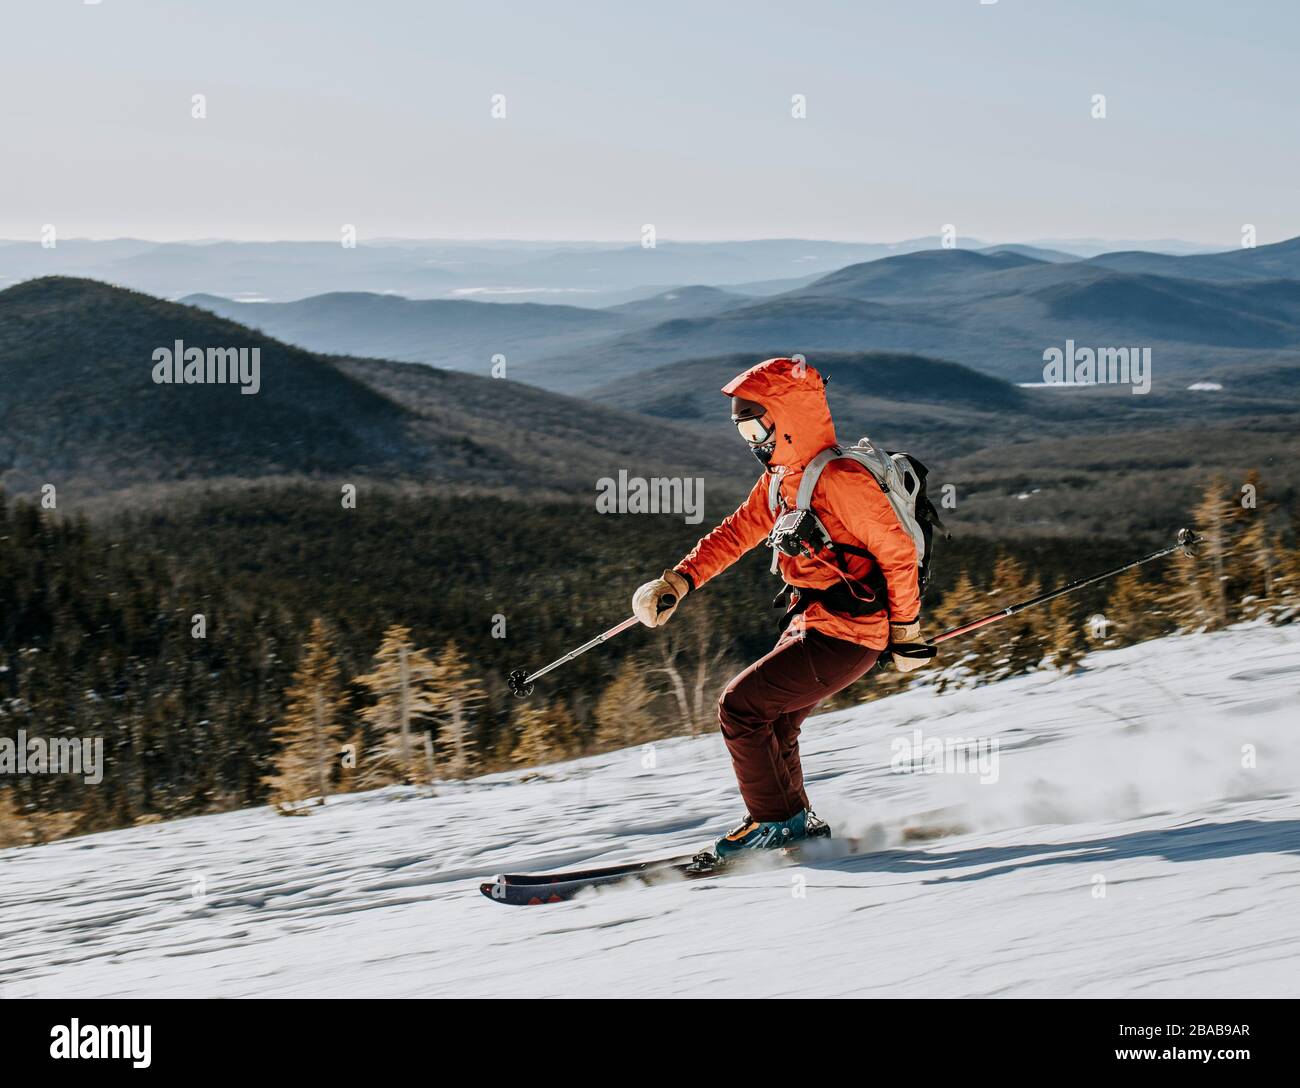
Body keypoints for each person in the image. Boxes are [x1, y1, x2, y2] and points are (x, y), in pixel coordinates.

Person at [631, 356, 929, 858]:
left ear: (785, 417)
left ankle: (775, 823)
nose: (750, 440)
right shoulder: (781, 479)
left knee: (739, 708)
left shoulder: (838, 480)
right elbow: (737, 531)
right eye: (741, 430)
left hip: (850, 631)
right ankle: (793, 820)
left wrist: (907, 630)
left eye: (753, 425)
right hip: (812, 622)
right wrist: (679, 581)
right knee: (776, 721)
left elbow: (897, 554)